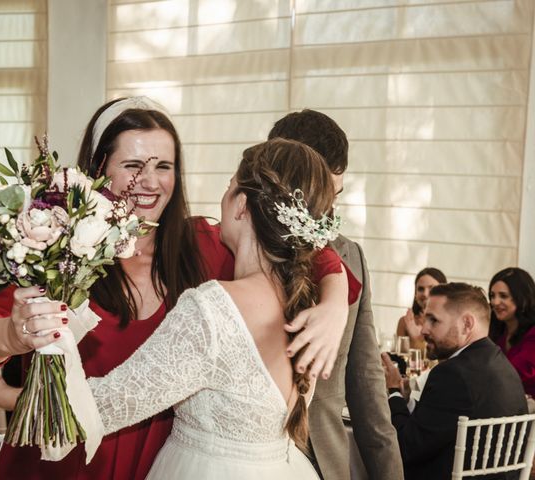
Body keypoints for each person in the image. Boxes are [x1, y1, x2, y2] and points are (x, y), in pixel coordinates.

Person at [0, 97, 351, 480]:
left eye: (165, 166)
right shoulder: (58, 247)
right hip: (67, 462)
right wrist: (14, 335)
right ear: (98, 167)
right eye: (134, 164)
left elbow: (299, 245)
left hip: (162, 464)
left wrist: (335, 306)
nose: (150, 182)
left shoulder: (209, 247)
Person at [19, 138, 336, 478]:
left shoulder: (213, 310)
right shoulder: (309, 308)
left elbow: (99, 410)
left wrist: (52, 327)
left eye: (229, 188)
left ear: (241, 205)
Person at [268, 109, 403, 480]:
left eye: (336, 196)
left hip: (325, 460)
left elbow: (367, 384)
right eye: (318, 196)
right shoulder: (229, 253)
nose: (327, 213)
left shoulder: (351, 258)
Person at [382, 283, 527, 480]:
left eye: (434, 320)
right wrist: (407, 399)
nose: (423, 329)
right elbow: (439, 426)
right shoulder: (502, 365)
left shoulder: (452, 374)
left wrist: (394, 392)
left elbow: (404, 448)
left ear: (467, 324)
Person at [488, 267, 535, 397]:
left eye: (503, 296)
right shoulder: (498, 332)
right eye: (492, 296)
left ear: (523, 298)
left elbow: (512, 374)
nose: (495, 302)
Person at [396, 267, 447, 351]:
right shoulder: (404, 322)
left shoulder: (449, 322)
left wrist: (418, 339)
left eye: (432, 288)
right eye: (420, 289)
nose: (425, 294)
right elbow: (401, 359)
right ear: (415, 294)